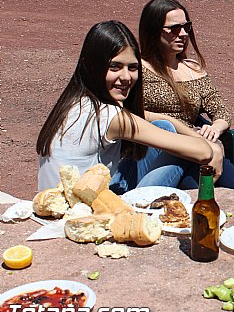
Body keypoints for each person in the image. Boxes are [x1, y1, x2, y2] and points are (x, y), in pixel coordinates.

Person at [37, 21, 221, 193]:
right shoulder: (110, 116)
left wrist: (173, 121)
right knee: (187, 154)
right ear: (93, 66)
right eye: (115, 67)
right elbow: (203, 152)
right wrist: (215, 148)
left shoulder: (76, 101)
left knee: (165, 127)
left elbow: (149, 118)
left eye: (132, 68)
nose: (126, 77)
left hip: (75, 200)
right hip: (91, 214)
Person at [138, 0, 234, 194]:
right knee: (202, 197)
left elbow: (220, 109)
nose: (183, 34)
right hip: (161, 150)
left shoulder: (193, 68)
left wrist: (215, 129)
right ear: (153, 30)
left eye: (186, 27)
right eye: (174, 29)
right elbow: (129, 112)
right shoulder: (138, 69)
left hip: (200, 148)